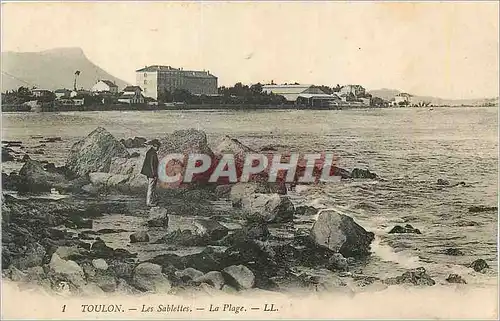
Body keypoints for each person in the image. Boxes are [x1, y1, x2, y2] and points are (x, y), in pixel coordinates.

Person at [141, 139, 161, 207]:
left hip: (148, 173)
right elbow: (152, 165)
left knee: (151, 187)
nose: (158, 149)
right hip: (152, 174)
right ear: (155, 146)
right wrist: (154, 174)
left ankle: (151, 201)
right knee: (151, 188)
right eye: (158, 147)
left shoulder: (149, 152)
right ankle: (149, 202)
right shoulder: (153, 153)